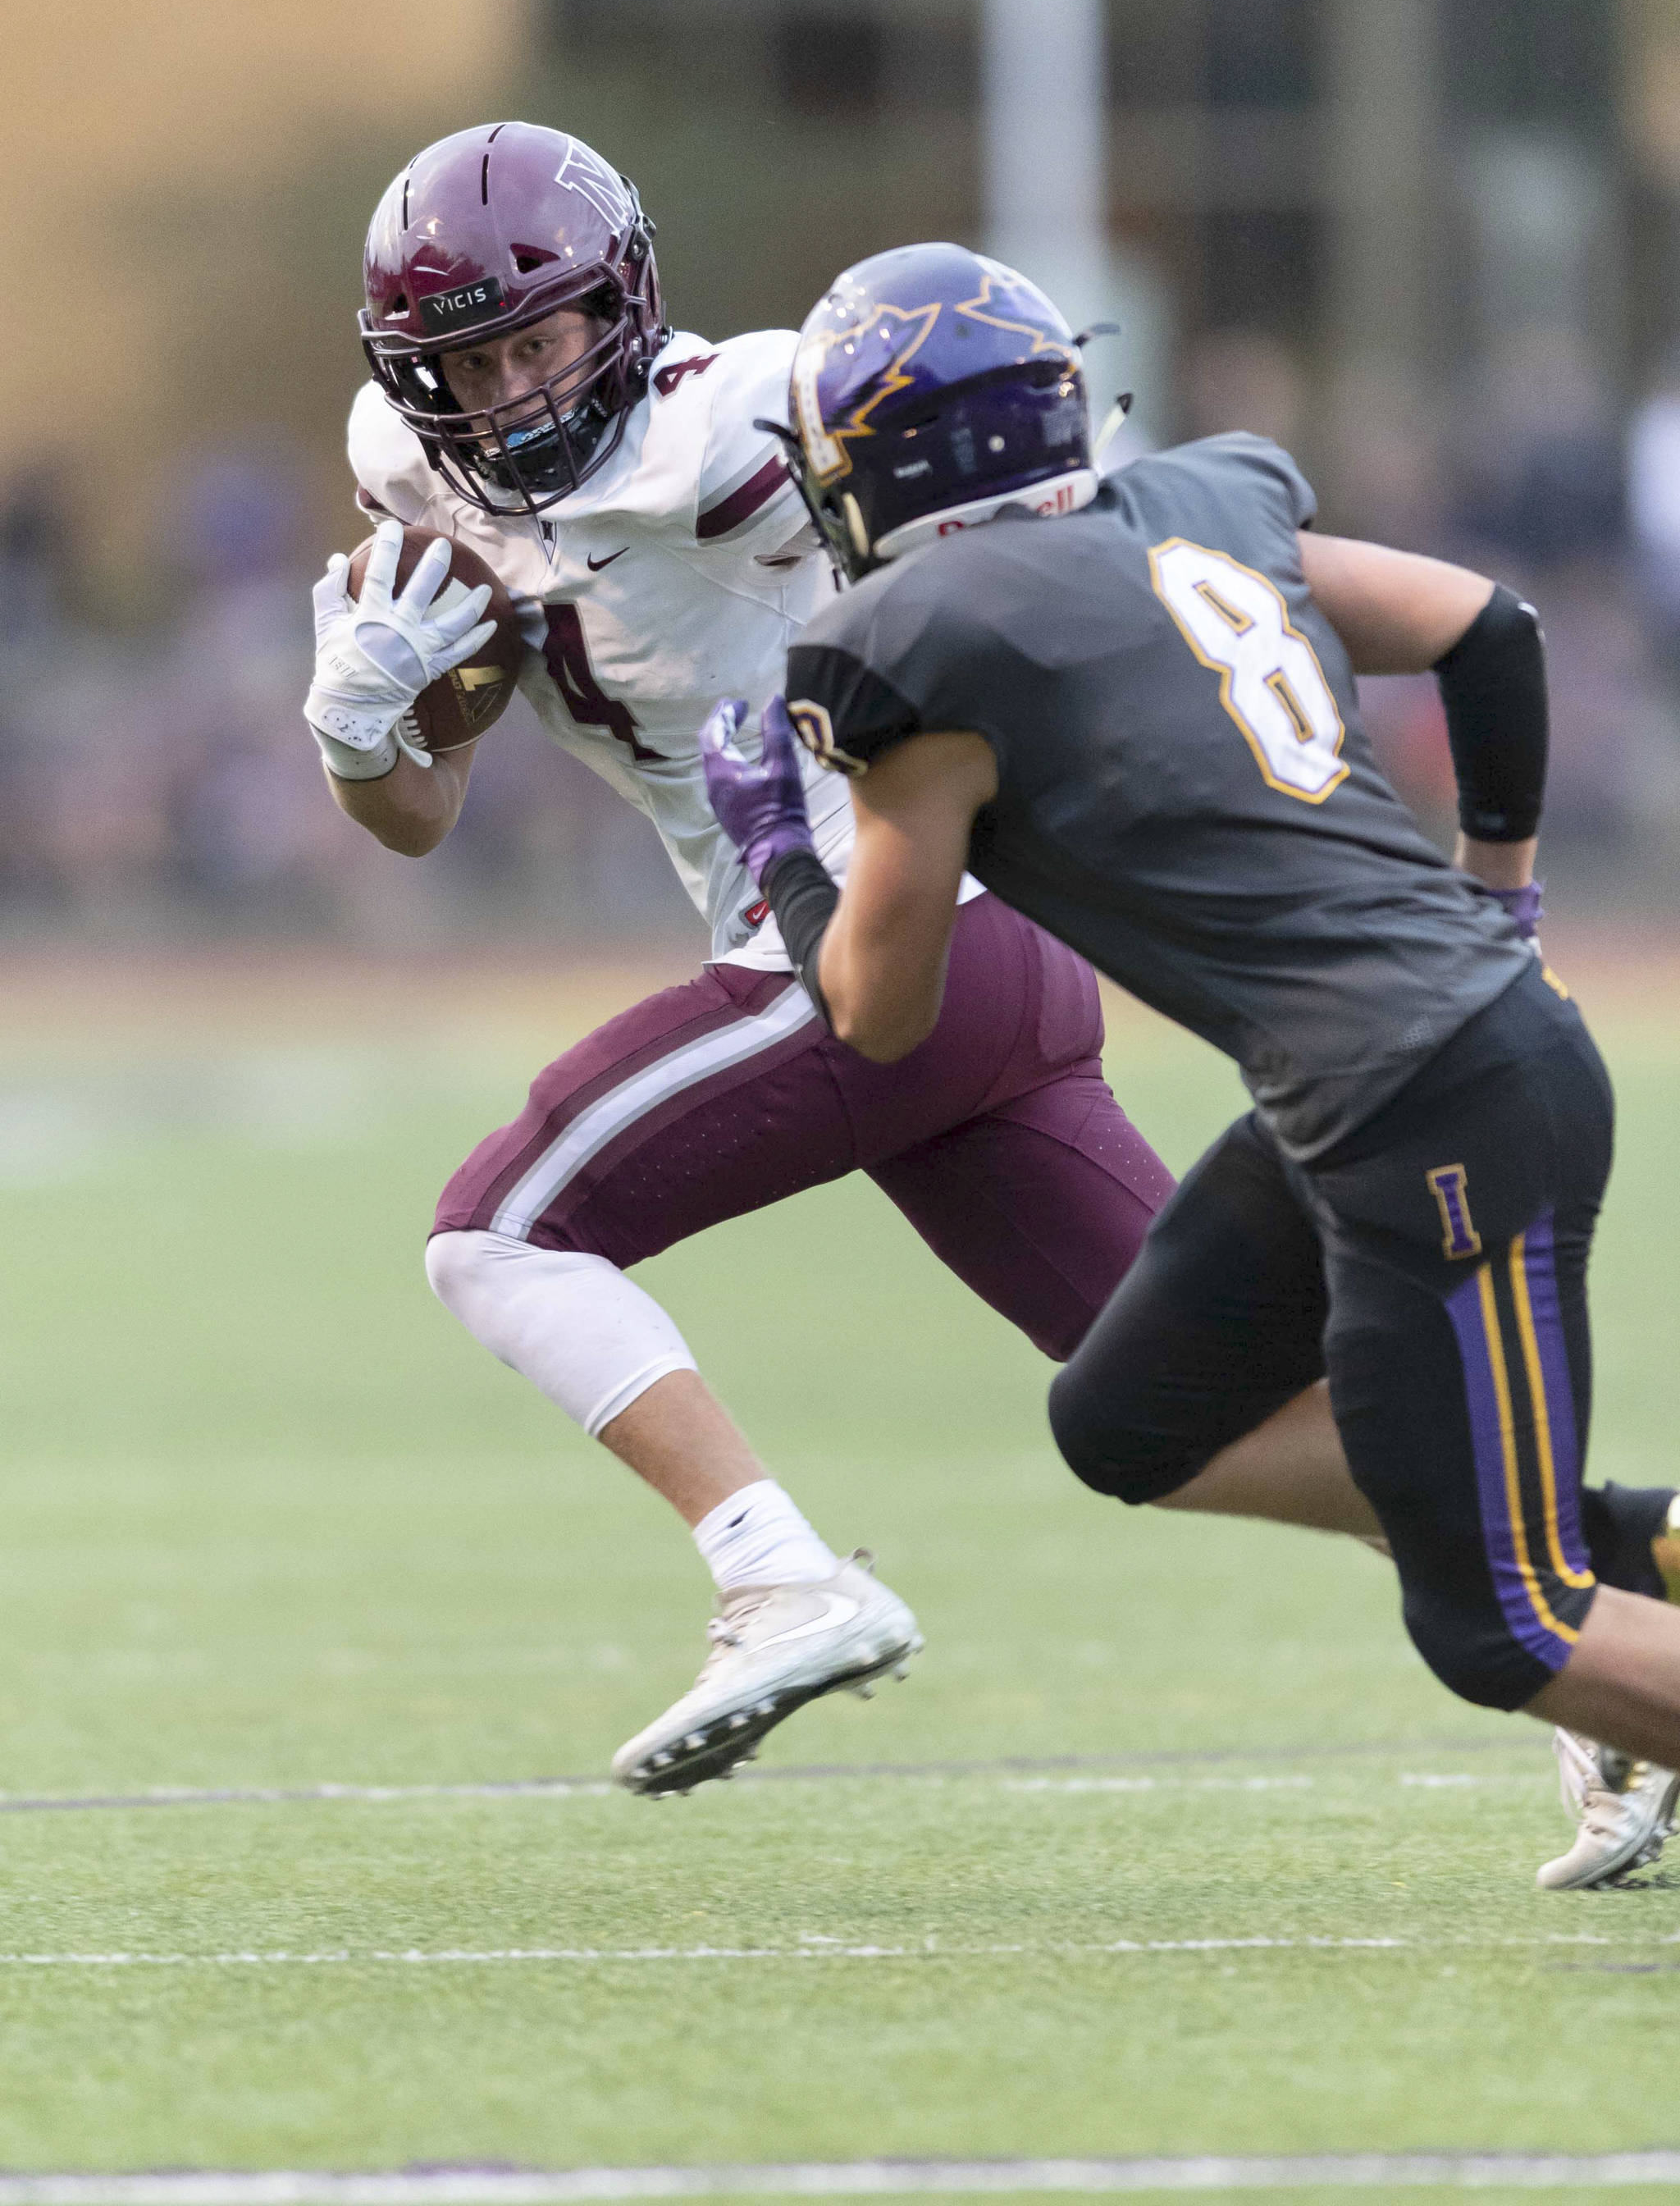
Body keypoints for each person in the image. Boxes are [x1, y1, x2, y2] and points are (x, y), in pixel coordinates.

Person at [701, 238, 1680, 1888]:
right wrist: (1498, 905)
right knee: (1131, 1416)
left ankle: (1585, 1601)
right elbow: (1486, 629)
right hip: (1409, 1078)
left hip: (1420, 1103)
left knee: (1499, 1630)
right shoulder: (1201, 505)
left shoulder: (913, 639)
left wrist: (772, 856)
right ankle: (1616, 1547)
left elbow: (876, 1010)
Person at [302, 122, 1180, 1797]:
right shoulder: (417, 480)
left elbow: (1030, 506)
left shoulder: (757, 417)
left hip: (887, 943)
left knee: (499, 1235)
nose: (503, 393)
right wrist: (355, 728)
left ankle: (776, 1572)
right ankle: (1592, 1632)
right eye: (462, 363)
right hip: (970, 988)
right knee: (1200, 1394)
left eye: (535, 340)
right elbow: (416, 810)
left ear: (618, 307)